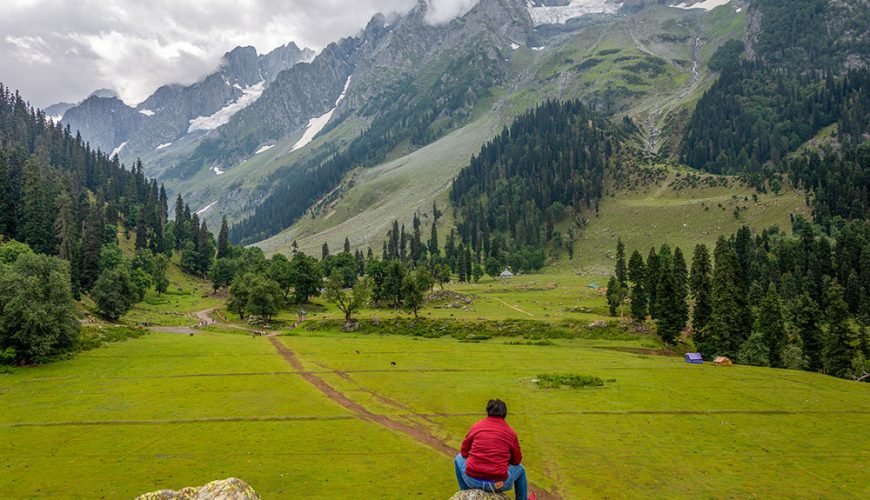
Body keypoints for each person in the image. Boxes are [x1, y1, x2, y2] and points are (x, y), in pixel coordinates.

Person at [454, 399, 534, 500]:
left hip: (472, 480)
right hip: (499, 483)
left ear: (487, 411)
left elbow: (464, 452)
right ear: (504, 414)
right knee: (521, 470)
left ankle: (466, 492)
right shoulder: (510, 433)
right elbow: (517, 460)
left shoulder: (476, 427)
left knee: (458, 458)